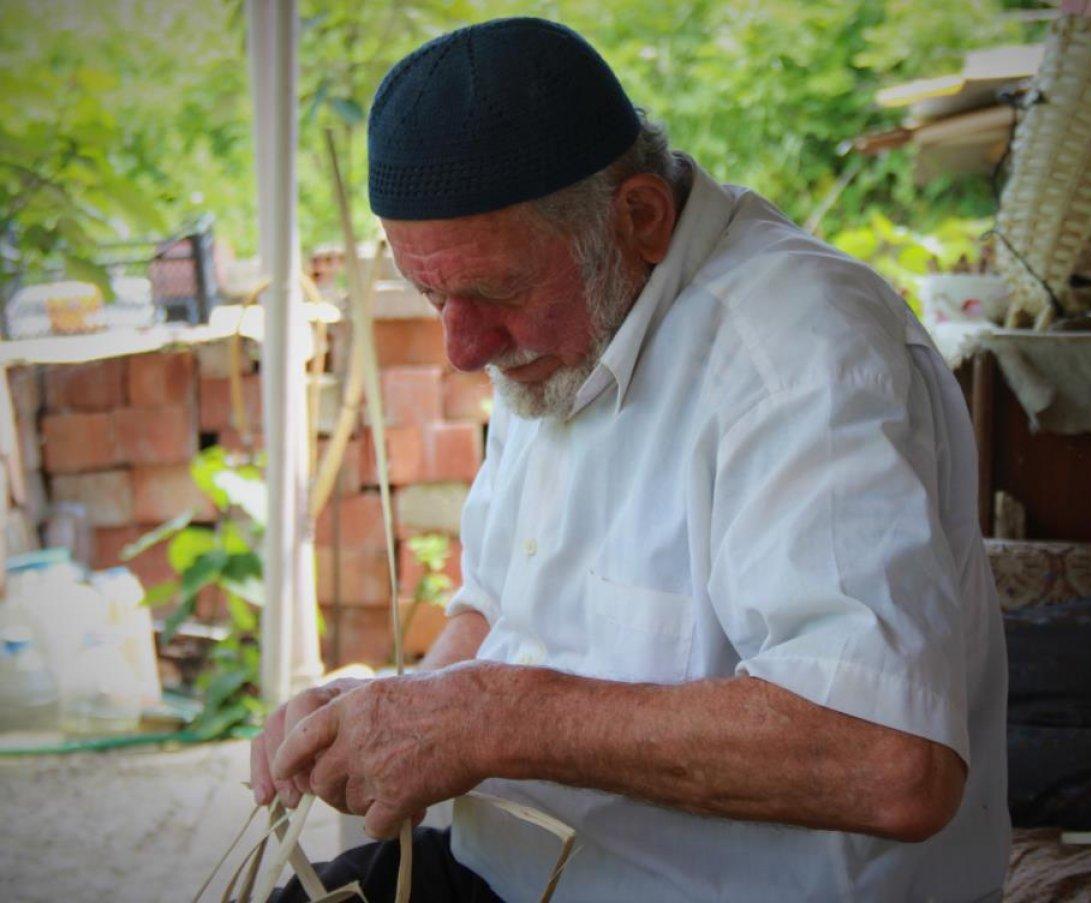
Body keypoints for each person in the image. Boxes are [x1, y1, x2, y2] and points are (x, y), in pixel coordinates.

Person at [256, 16, 1010, 902]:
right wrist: (389, 714)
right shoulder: (563, 329)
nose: (463, 348)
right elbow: (496, 607)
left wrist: (490, 719)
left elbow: (893, 759)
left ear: (641, 215)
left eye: (492, 291)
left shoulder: (802, 352)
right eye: (433, 296)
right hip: (506, 870)